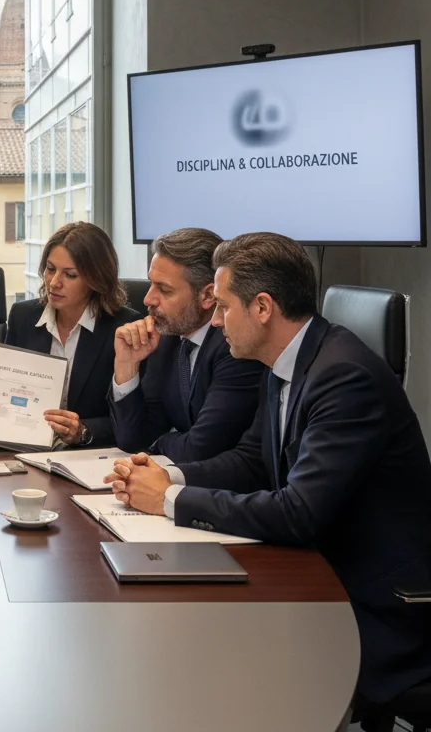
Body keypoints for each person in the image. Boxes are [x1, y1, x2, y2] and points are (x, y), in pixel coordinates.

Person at [105, 232, 431, 707]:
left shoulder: (343, 378)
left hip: (372, 606)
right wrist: (165, 478)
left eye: (223, 308)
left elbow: (299, 512)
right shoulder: (285, 361)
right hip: (313, 571)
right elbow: (252, 461)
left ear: (262, 307)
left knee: (214, 670)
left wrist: (169, 500)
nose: (215, 322)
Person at [0, 222, 140, 446]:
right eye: (51, 269)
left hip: (89, 460)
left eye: (70, 275)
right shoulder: (24, 317)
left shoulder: (123, 328)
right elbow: (9, 392)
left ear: (96, 280)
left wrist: (83, 431)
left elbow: (135, 423)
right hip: (26, 451)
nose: (54, 282)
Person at [108, 227, 264, 463]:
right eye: (151, 284)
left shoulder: (236, 347)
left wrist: (160, 441)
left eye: (164, 289)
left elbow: (202, 449)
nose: (148, 299)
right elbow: (134, 439)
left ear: (208, 296)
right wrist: (126, 366)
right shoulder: (168, 336)